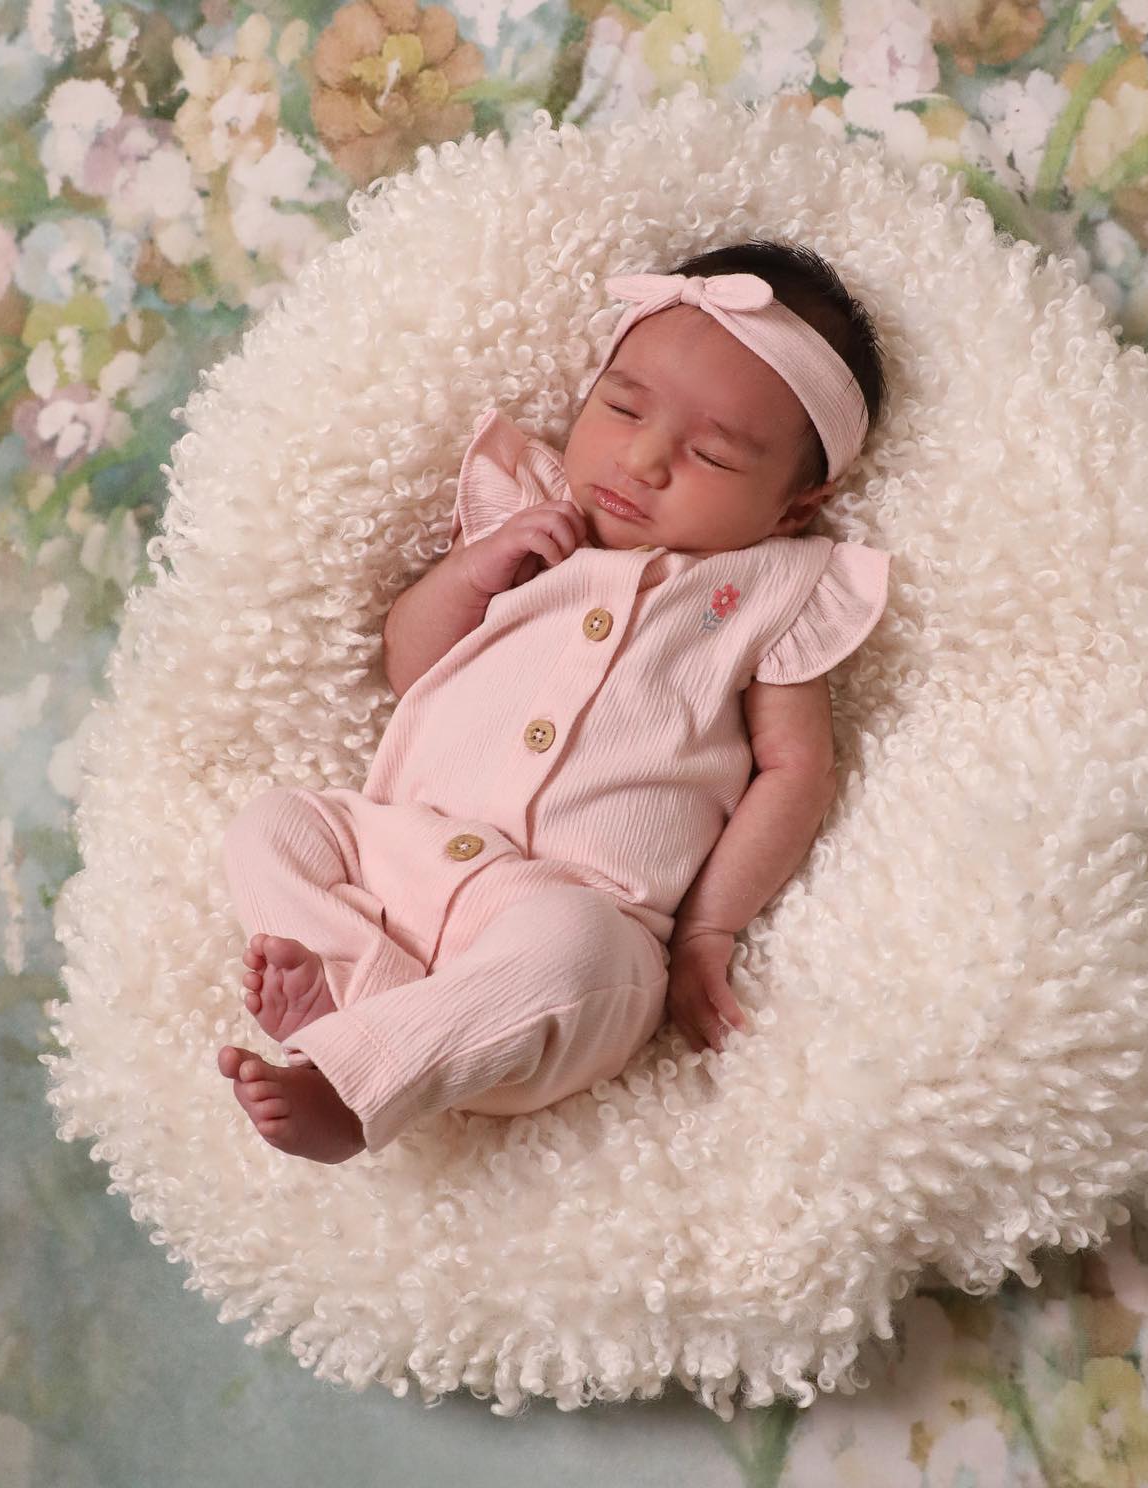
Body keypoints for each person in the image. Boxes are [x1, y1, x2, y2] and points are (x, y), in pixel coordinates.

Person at [216, 238, 891, 1164]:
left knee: (574, 960)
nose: (644, 459)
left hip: (574, 909)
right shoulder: (536, 523)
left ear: (791, 509)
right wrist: (466, 576)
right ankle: (370, 983)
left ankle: (359, 1076)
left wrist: (706, 931)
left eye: (711, 454)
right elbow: (412, 667)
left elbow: (796, 768)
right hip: (399, 851)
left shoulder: (769, 594)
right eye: (621, 408)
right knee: (273, 824)